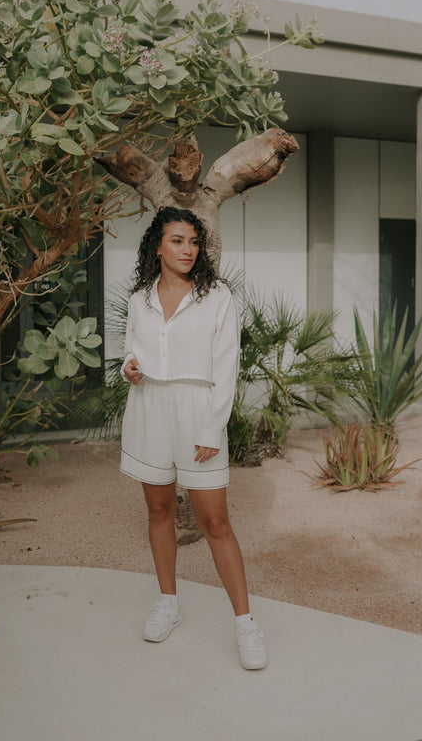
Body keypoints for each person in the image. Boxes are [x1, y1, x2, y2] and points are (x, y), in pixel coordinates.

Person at [120, 206, 267, 670]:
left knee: (215, 523)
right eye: (177, 240)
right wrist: (130, 367)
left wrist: (210, 427)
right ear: (158, 246)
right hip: (148, 409)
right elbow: (130, 350)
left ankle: (245, 624)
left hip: (197, 410)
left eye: (193, 241)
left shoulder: (217, 296)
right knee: (159, 510)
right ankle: (169, 602)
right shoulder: (139, 297)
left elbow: (226, 366)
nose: (187, 250)